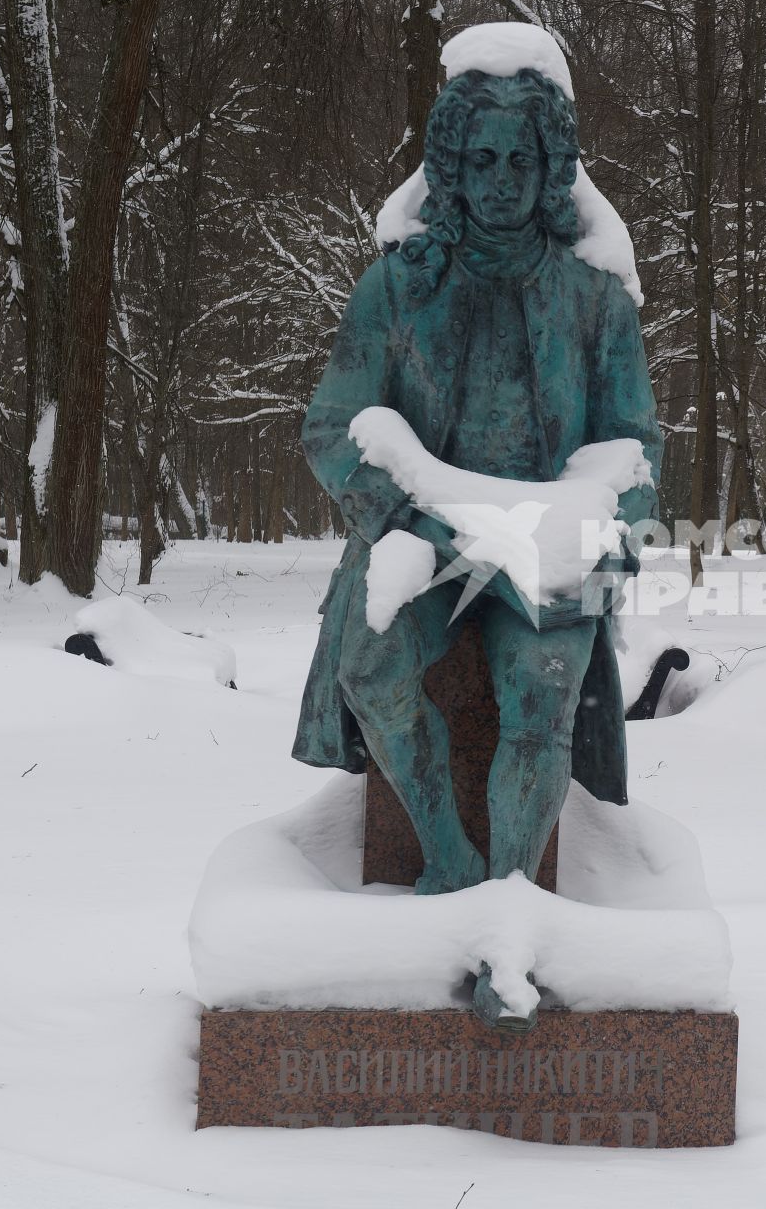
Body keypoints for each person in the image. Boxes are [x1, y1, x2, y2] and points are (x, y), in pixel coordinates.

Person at [291, 67, 661, 1025]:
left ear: (552, 173)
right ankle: (447, 856)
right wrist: (402, 512)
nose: (502, 180)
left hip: (545, 541)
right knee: (369, 667)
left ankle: (510, 917)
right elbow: (334, 424)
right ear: (453, 168)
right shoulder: (399, 289)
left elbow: (634, 444)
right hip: (429, 529)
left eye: (523, 161)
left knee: (538, 697)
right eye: (482, 159)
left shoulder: (593, 302)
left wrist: (606, 522)